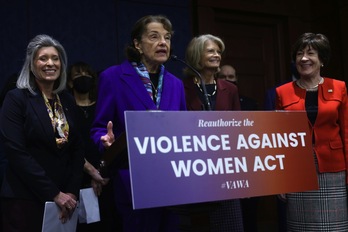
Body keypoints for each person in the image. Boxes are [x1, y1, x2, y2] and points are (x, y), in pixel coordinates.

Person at [90, 15, 186, 231]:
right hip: (132, 184)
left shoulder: (176, 84)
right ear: (137, 44)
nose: (163, 42)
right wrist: (104, 141)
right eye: (154, 37)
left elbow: (183, 129)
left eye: (167, 38)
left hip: (172, 184)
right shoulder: (113, 77)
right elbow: (98, 128)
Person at [0, 34, 85, 231]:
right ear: (31, 64)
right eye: (43, 58)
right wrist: (54, 193)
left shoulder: (67, 100)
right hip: (25, 197)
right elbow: (15, 152)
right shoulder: (16, 98)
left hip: (65, 199)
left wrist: (71, 192)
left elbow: (77, 148)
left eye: (55, 58)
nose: (50, 63)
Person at [275, 32, 348, 231]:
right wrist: (281, 180)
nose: (304, 58)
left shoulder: (339, 87)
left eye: (310, 53)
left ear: (322, 59)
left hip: (333, 171)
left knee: (334, 227)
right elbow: (279, 139)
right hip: (297, 171)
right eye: (299, 54)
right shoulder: (282, 92)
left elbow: (347, 132)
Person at [182, 34, 244, 231]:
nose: (217, 55)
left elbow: (239, 129)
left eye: (218, 51)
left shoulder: (230, 89)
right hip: (194, 170)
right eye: (211, 51)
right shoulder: (180, 87)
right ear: (196, 55)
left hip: (225, 170)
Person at [67, 62, 121, 231]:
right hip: (76, 176)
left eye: (87, 74)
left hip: (105, 176)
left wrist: (101, 172)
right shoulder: (66, 109)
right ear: (69, 82)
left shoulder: (102, 107)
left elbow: (112, 140)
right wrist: (90, 171)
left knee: (109, 222)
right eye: (78, 75)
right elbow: (68, 145)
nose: (83, 78)